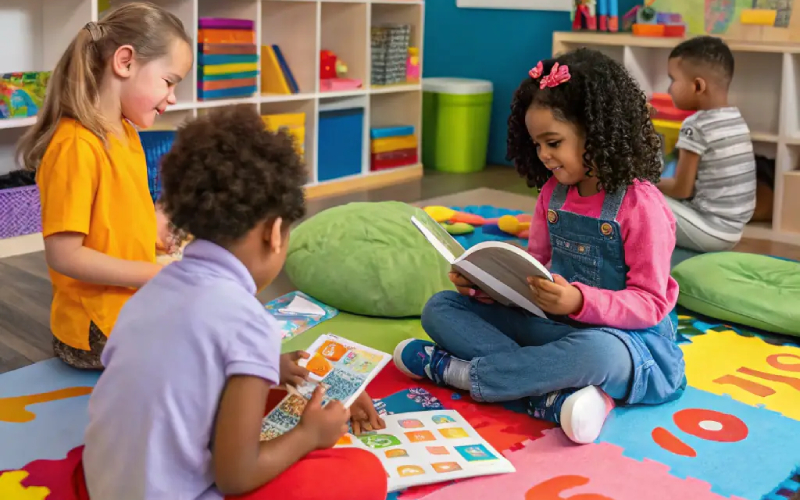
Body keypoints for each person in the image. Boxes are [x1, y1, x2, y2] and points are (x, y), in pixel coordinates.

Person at [77, 105, 388, 500]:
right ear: (275, 233)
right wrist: (310, 436)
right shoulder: (248, 321)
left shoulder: (152, 290)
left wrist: (271, 366)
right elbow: (235, 477)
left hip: (100, 481)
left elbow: (170, 369)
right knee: (361, 473)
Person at [394, 48, 686, 445]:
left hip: (626, 343)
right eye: (536, 145)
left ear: (595, 131)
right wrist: (483, 284)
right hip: (553, 329)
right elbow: (533, 270)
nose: (544, 155)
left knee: (597, 354)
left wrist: (578, 302)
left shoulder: (641, 205)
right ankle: (553, 392)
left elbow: (651, 303)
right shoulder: (553, 193)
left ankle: (457, 372)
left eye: (553, 142)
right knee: (441, 308)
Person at [15, 2, 193, 369]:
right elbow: (64, 255)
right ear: (125, 62)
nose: (173, 97)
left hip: (128, 308)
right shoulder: (75, 146)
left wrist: (156, 228)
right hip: (95, 329)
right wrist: (157, 274)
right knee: (204, 344)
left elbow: (117, 216)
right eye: (169, 81)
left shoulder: (125, 132)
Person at [657, 36, 756, 252]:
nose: (669, 89)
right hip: (734, 230)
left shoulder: (696, 126)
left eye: (673, 80)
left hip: (710, 230)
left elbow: (681, 189)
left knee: (638, 197)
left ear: (698, 85)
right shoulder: (735, 119)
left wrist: (644, 182)